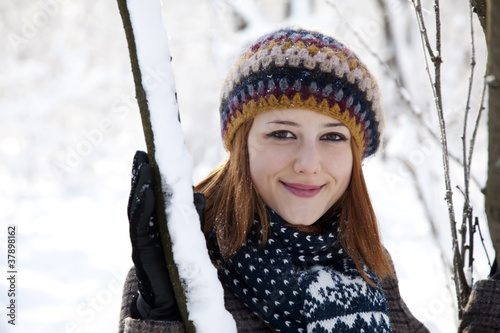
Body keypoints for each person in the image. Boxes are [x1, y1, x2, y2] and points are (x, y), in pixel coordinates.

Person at [119, 28, 500, 333]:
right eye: (282, 133)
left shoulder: (367, 268)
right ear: (242, 146)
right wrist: (161, 318)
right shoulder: (180, 274)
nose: (308, 164)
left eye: (332, 137)